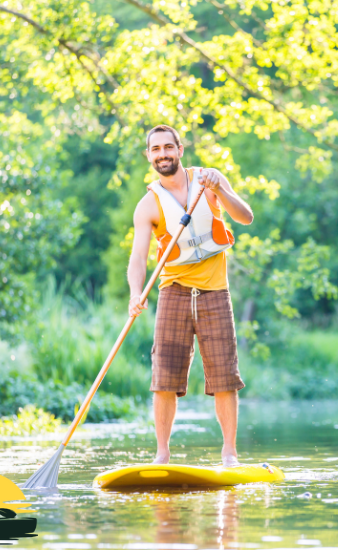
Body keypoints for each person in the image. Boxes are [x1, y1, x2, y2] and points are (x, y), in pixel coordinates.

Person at [127, 124, 254, 466]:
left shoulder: (209, 181)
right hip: (174, 292)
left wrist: (222, 191)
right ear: (149, 156)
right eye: (156, 150)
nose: (163, 154)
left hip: (215, 291)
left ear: (181, 150)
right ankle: (162, 455)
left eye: (169, 147)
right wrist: (135, 293)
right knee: (164, 377)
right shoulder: (147, 205)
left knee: (224, 377)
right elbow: (138, 258)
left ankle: (229, 453)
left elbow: (245, 217)